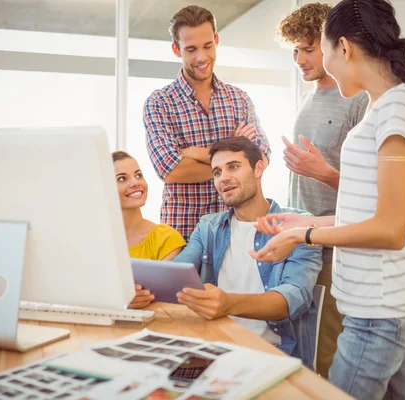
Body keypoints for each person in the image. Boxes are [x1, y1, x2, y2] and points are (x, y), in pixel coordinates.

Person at [251, 0, 405, 398]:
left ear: (343, 48)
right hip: (377, 306)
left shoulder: (398, 110)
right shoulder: (384, 108)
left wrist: (306, 237)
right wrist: (301, 223)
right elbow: (369, 211)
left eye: (322, 48)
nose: (320, 61)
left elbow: (389, 229)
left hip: (379, 309)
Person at [276, 2, 368, 376]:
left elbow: (373, 190)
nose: (299, 58)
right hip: (301, 241)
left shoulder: (360, 100)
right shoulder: (305, 99)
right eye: (294, 50)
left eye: (307, 48)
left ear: (333, 46)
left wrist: (326, 172)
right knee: (299, 346)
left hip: (337, 244)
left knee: (330, 352)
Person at [173, 137, 322, 368]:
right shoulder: (208, 227)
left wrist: (228, 303)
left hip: (274, 358)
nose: (224, 178)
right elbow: (176, 273)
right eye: (216, 172)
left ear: (258, 168)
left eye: (233, 167)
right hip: (216, 355)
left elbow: (292, 299)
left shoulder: (299, 225)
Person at [144, 5, 271, 241]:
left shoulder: (239, 99)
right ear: (176, 49)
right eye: (191, 49)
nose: (201, 57)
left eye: (207, 46)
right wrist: (236, 159)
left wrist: (196, 153)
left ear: (217, 40)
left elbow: (261, 157)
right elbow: (170, 169)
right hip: (182, 233)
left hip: (237, 232)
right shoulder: (159, 103)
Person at [112, 151, 186, 309]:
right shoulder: (95, 242)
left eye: (138, 175)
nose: (135, 183)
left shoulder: (166, 238)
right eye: (122, 178)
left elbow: (166, 296)